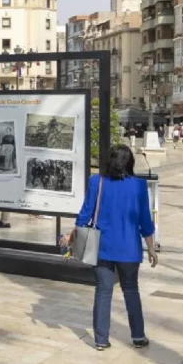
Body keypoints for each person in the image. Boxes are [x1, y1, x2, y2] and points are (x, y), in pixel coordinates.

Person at [62, 145, 157, 351]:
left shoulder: (97, 181)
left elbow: (85, 214)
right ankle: (138, 336)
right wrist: (150, 247)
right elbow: (145, 221)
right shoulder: (139, 186)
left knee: (103, 292)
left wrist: (72, 234)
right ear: (130, 162)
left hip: (102, 247)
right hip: (129, 249)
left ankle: (101, 339)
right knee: (131, 290)